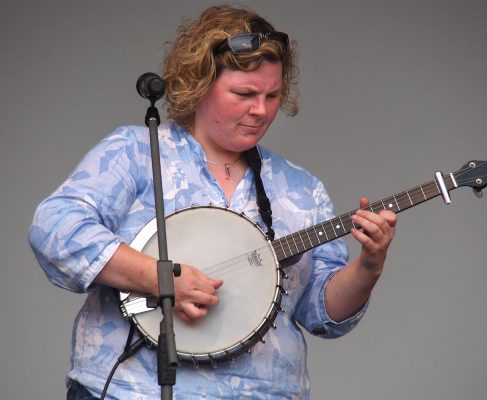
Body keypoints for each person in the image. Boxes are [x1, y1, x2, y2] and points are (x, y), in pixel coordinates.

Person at [29, 5, 396, 400]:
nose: (261, 110)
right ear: (199, 83)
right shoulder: (137, 152)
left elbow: (323, 314)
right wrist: (161, 278)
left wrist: (369, 265)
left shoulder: (301, 189)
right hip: (132, 390)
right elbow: (56, 227)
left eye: (272, 95)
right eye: (244, 94)